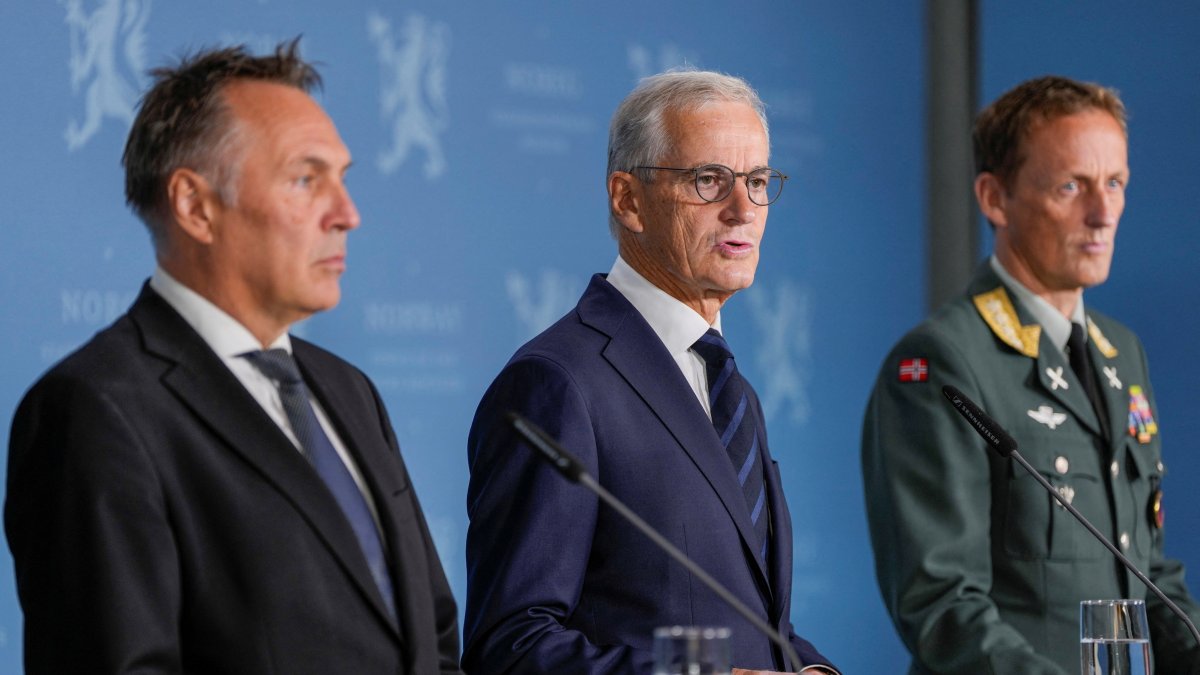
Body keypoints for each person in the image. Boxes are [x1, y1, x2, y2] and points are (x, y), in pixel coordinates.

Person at [4, 40, 462, 675]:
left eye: (343, 178)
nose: (348, 215)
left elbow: (432, 639)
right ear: (195, 206)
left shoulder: (348, 390)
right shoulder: (95, 409)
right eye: (306, 179)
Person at [463, 70, 838, 675]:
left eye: (759, 181)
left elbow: (752, 622)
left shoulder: (727, 386)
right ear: (628, 199)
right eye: (708, 180)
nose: (743, 210)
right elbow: (510, 645)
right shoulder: (558, 383)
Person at [861, 75, 1200, 674]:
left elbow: (1147, 574)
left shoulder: (1122, 352)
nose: (1102, 214)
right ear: (994, 198)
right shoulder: (942, 362)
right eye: (1072, 186)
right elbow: (942, 607)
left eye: (1115, 183)